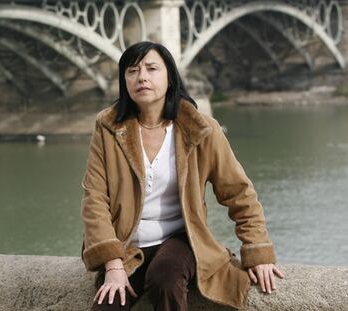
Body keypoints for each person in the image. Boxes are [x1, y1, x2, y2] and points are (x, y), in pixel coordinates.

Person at [80, 41, 284, 310]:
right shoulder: (107, 127)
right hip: (126, 246)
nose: (142, 77)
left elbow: (238, 192)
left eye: (152, 68)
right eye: (132, 71)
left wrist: (257, 251)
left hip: (181, 238)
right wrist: (113, 264)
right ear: (124, 80)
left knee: (166, 278)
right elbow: (95, 199)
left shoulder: (201, 129)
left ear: (170, 78)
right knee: (107, 305)